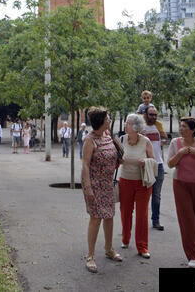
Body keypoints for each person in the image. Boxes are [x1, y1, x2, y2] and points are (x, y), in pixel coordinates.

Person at [166, 117, 195, 268]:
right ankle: (193, 256)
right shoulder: (175, 143)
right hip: (180, 185)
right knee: (187, 220)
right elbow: (170, 164)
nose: (181, 129)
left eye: (184, 126)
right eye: (181, 126)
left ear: (193, 129)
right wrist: (179, 154)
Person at [81, 106, 122, 273]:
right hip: (95, 184)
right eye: (108, 118)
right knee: (96, 218)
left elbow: (117, 158)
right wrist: (87, 188)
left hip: (107, 184)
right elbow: (85, 164)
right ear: (101, 121)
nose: (110, 120)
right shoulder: (90, 140)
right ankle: (90, 256)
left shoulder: (107, 136)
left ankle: (109, 248)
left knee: (109, 216)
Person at [118, 113, 154, 258]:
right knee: (125, 212)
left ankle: (142, 247)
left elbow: (154, 160)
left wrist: (145, 161)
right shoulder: (122, 139)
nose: (125, 125)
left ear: (135, 126)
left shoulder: (146, 141)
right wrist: (119, 161)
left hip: (142, 182)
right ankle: (125, 239)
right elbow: (117, 158)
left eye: (127, 123)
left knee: (142, 215)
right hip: (125, 180)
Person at [140, 105, 167, 231]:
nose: (154, 117)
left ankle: (155, 220)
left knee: (156, 195)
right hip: (145, 164)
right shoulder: (140, 126)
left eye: (155, 115)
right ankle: (141, 219)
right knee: (143, 194)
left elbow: (165, 137)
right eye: (151, 114)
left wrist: (163, 141)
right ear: (145, 114)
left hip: (159, 164)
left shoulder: (158, 126)